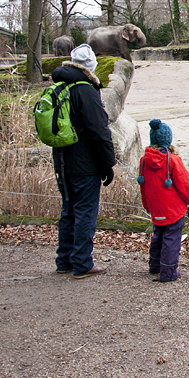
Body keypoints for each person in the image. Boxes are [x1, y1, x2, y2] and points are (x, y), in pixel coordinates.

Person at [52, 43, 117, 279]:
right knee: (85, 212)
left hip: (62, 161)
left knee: (68, 210)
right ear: (90, 67)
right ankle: (82, 263)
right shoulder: (86, 91)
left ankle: (65, 260)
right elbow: (99, 132)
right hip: (84, 165)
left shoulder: (60, 87)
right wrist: (108, 164)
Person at [137, 118, 189, 283]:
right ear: (168, 139)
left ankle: (155, 266)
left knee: (158, 236)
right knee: (171, 239)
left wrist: (147, 205)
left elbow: (143, 184)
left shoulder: (144, 160)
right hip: (173, 210)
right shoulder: (173, 160)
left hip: (155, 208)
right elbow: (185, 186)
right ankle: (168, 272)